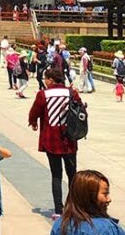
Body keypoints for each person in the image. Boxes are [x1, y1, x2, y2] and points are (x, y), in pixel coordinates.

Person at [29, 66, 84, 217]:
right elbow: (81, 110)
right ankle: (74, 206)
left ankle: (58, 210)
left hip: (51, 139)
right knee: (72, 174)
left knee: (56, 175)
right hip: (70, 139)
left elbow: (35, 112)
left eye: (45, 79)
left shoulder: (43, 94)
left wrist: (33, 122)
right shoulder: (71, 92)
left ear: (51, 80)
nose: (44, 82)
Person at [50, 170, 125, 235]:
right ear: (89, 196)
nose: (109, 199)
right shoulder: (106, 229)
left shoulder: (60, 224)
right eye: (105, 194)